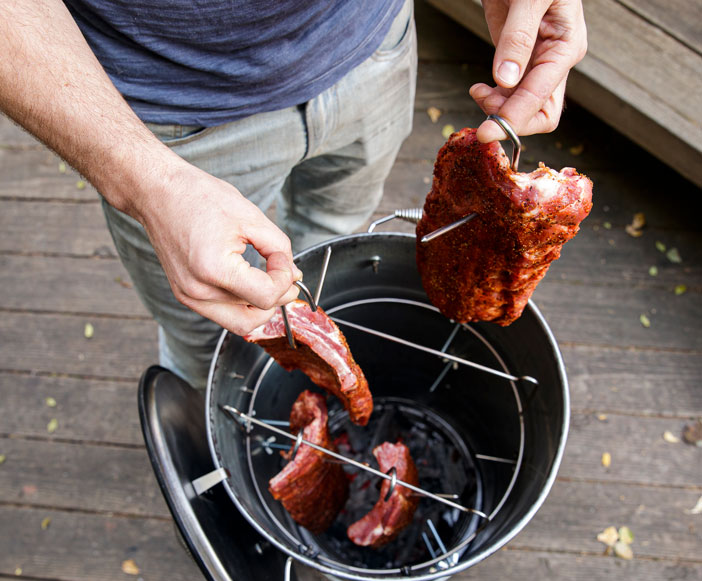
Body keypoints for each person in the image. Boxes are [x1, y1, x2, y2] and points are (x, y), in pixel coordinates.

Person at [0, 0, 587, 389]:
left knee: (339, 230)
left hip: (373, 44)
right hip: (167, 113)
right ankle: (228, 461)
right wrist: (149, 180)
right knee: (217, 335)